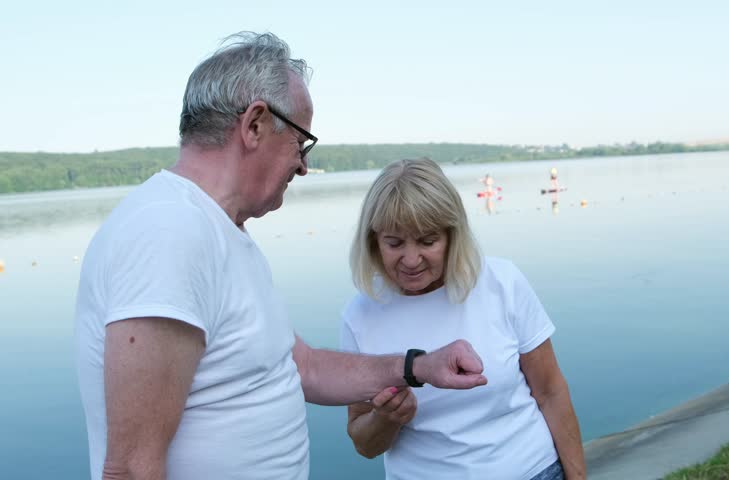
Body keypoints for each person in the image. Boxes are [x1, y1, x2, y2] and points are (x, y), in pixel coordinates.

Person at [74, 32, 487, 480]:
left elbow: (302, 366)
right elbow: (132, 468)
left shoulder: (220, 232)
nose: (303, 166)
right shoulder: (169, 230)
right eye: (300, 141)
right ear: (254, 124)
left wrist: (418, 366)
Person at [341, 158, 586, 479]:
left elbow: (551, 390)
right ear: (373, 241)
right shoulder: (359, 316)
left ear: (452, 235)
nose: (411, 259)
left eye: (428, 241)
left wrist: (578, 476)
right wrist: (386, 419)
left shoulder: (503, 283)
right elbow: (365, 443)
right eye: (394, 243)